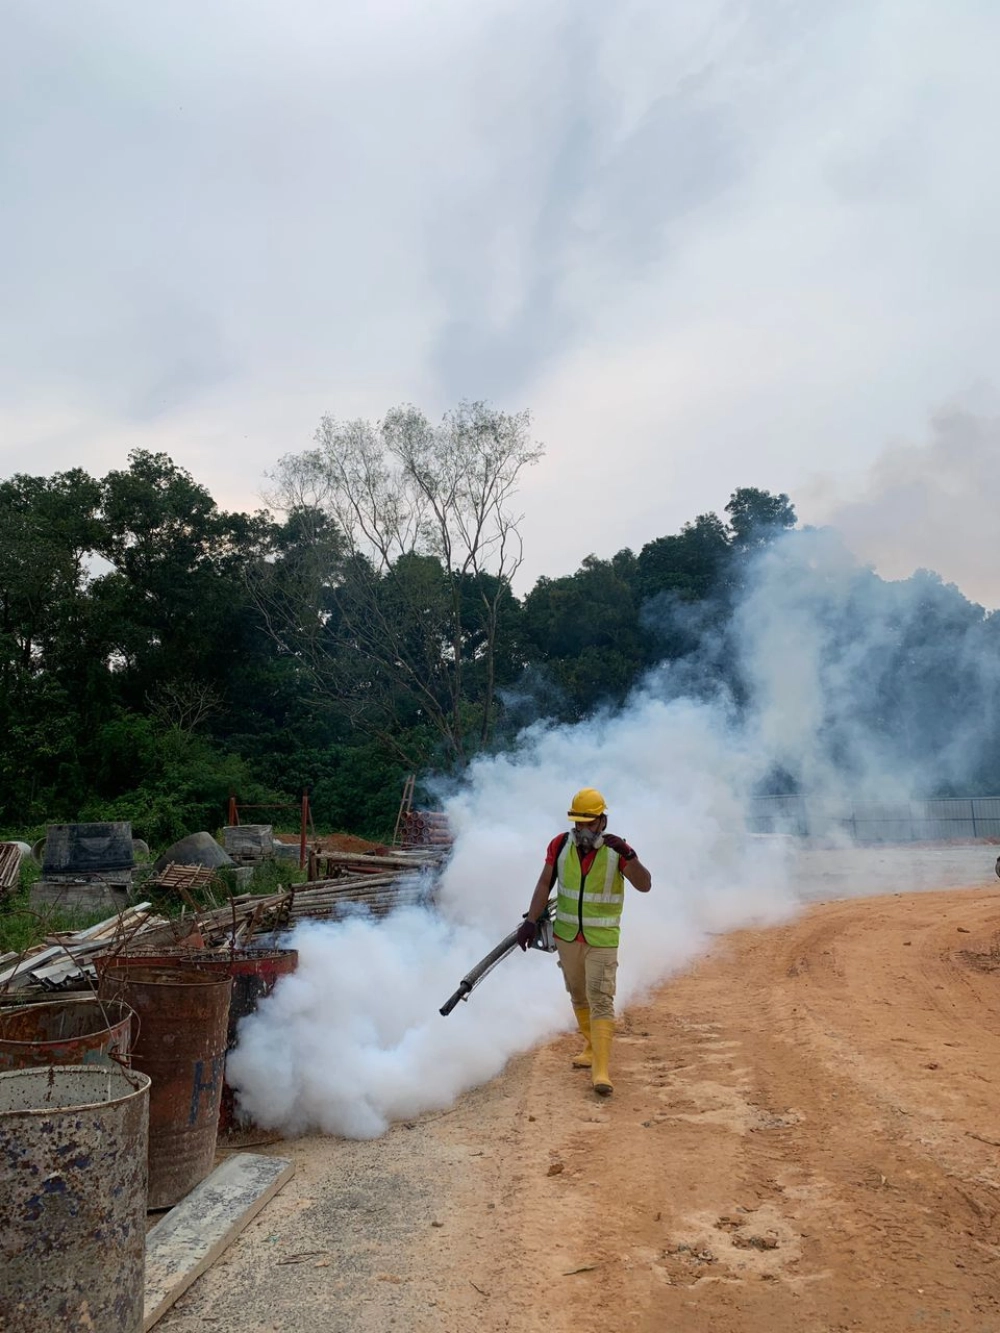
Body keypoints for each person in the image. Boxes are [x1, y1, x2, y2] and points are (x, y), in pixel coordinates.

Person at [516, 787, 651, 1096]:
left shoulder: (618, 851)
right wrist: (530, 921)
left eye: (588, 823)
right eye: (578, 823)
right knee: (578, 993)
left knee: (601, 997)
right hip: (567, 936)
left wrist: (630, 855)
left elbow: (645, 885)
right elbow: (544, 883)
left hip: (602, 938)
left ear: (602, 822)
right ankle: (591, 1046)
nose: (582, 830)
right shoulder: (560, 845)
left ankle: (601, 1071)